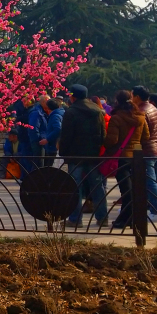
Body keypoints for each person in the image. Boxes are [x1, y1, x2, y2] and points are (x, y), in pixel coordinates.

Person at [58, 84, 107, 229]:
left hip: (75, 155)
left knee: (75, 187)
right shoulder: (97, 111)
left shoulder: (71, 112)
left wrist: (63, 153)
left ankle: (75, 219)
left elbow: (66, 136)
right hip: (94, 155)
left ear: (73, 96)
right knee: (97, 187)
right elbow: (103, 133)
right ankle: (103, 218)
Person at [103, 90, 150, 230]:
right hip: (136, 157)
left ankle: (125, 218)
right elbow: (146, 137)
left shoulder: (116, 118)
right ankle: (131, 218)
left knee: (126, 189)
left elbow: (112, 139)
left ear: (118, 101)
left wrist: (104, 142)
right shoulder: (141, 117)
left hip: (121, 157)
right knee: (132, 189)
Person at [132, 86, 157, 220]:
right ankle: (152, 209)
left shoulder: (142, 111)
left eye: (132, 95)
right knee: (148, 181)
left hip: (145, 150)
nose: (131, 98)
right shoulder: (152, 108)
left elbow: (141, 134)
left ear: (138, 97)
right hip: (153, 148)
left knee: (150, 181)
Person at [27, 95, 49, 169]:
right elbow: (33, 129)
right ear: (43, 102)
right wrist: (38, 141)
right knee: (38, 164)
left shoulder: (43, 112)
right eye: (47, 101)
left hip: (42, 140)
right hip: (38, 142)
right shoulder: (36, 113)